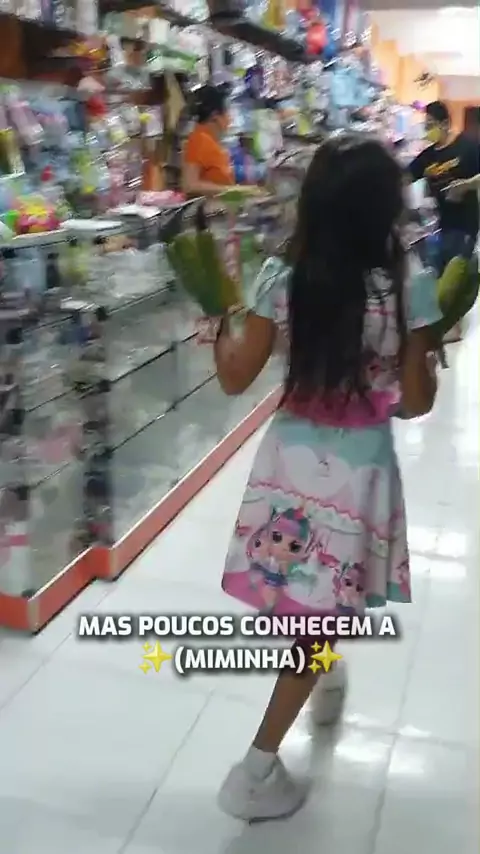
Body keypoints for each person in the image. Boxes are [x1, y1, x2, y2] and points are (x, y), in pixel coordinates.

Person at [212, 135, 441, 822]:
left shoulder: (281, 277)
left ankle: (325, 674)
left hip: (287, 463)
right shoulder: (408, 284)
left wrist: (220, 326)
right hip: (357, 472)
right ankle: (256, 770)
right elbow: (416, 402)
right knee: (319, 618)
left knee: (306, 592)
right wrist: (422, 352)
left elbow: (234, 377)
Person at [408, 101, 479, 275]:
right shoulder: (428, 156)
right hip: (441, 225)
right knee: (437, 273)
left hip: (465, 225)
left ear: (445, 123)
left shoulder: (467, 147)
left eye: (431, 125)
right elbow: (404, 176)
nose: (428, 130)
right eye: (426, 126)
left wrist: (466, 185)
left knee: (456, 276)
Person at [182, 84, 235, 198]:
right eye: (227, 113)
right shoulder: (199, 139)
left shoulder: (211, 140)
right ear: (215, 116)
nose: (230, 119)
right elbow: (189, 185)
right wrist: (231, 190)